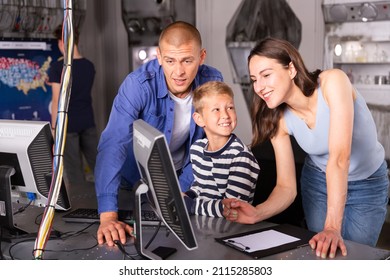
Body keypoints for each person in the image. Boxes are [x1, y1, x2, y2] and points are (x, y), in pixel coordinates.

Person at [223, 37, 389, 259]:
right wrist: (256, 213)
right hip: (318, 182)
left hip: (368, 184)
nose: (259, 87)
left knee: (353, 258)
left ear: (290, 69)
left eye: (266, 75)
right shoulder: (277, 118)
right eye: (254, 79)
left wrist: (331, 227)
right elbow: (286, 187)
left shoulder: (333, 82)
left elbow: (340, 159)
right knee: (323, 255)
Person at [95, 21, 223, 246]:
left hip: (181, 178)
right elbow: (113, 143)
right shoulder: (138, 85)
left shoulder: (212, 81)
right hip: (135, 181)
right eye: (170, 61)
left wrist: (179, 190)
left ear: (201, 57)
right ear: (159, 56)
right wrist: (108, 216)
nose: (179, 71)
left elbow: (209, 143)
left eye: (187, 60)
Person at [183, 81, 260, 217]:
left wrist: (190, 205)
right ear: (199, 119)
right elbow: (200, 186)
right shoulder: (197, 150)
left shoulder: (240, 157)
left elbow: (233, 209)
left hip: (230, 229)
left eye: (230, 107)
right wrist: (188, 195)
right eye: (216, 109)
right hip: (204, 222)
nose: (225, 115)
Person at [48, 24, 98, 186]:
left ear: (63, 43)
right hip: (88, 121)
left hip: (68, 126)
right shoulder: (89, 66)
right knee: (99, 166)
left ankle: (80, 206)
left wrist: (55, 130)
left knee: (75, 173)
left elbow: (57, 101)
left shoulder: (58, 68)